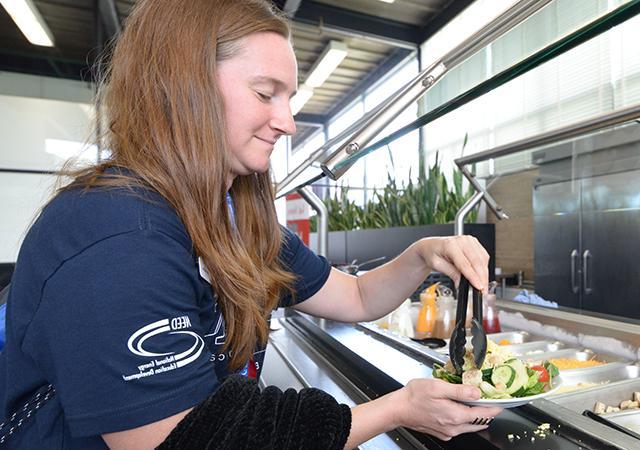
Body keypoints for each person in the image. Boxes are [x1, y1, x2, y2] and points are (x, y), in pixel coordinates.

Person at [0, 0, 501, 448]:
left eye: (289, 97)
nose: (286, 121)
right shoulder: (115, 235)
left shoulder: (232, 219)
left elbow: (357, 297)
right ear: (183, 88)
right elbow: (184, 439)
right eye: (266, 94)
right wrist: (397, 408)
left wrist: (423, 255)